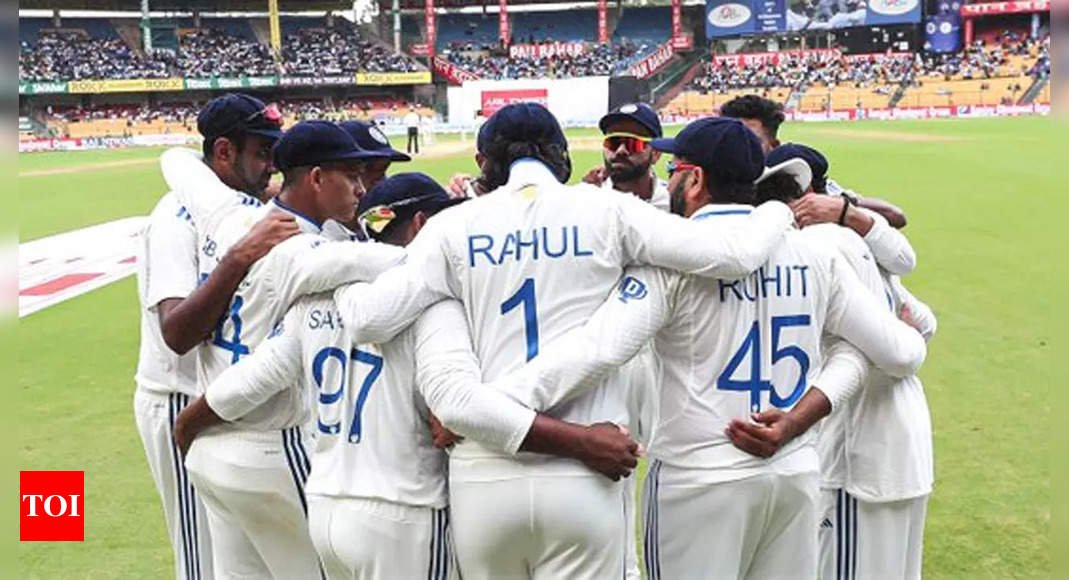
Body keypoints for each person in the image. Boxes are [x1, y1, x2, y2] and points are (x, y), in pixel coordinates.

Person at [331, 103, 797, 579]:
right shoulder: (609, 210)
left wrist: (333, 266)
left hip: (484, 473)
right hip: (585, 471)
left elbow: (369, 320)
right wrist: (778, 210)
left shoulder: (451, 228)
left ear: (486, 163)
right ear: (561, 155)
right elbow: (732, 254)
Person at [478, 117, 927, 580]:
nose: (669, 179)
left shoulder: (672, 266)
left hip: (698, 479)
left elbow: (600, 350)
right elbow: (893, 354)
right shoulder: (815, 255)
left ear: (694, 180)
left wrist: (490, 404)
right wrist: (796, 420)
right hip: (792, 472)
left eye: (673, 169)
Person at [176, 173, 639, 580]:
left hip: (329, 508)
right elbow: (454, 413)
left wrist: (188, 422)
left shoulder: (320, 295)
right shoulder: (433, 303)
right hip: (402, 511)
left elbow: (252, 381)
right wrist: (581, 441)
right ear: (421, 225)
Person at [167, 121, 406, 579]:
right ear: (316, 178)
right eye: (350, 177)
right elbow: (382, 261)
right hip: (268, 445)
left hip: (210, 454)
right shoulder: (302, 253)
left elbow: (175, 161)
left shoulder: (234, 218)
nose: (361, 190)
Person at [133, 92, 290, 580]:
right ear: (224, 152)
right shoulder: (174, 220)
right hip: (179, 397)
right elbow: (177, 332)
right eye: (261, 153)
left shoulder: (240, 208)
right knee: (200, 559)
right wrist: (239, 257)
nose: (270, 166)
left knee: (239, 560)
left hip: (219, 399)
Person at [764, 144, 935, 580]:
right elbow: (921, 319)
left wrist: (907, 346)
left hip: (859, 456)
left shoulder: (811, 249)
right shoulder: (856, 242)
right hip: (903, 445)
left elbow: (900, 352)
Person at [719, 94, 910, 228]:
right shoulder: (709, 184)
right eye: (730, 142)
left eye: (752, 142)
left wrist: (841, 208)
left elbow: (895, 216)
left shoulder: (792, 183)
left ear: (773, 145)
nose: (739, 150)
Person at [583, 102, 670, 211]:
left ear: (656, 153)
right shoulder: (589, 200)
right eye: (613, 142)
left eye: (633, 144)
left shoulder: (673, 204)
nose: (621, 151)